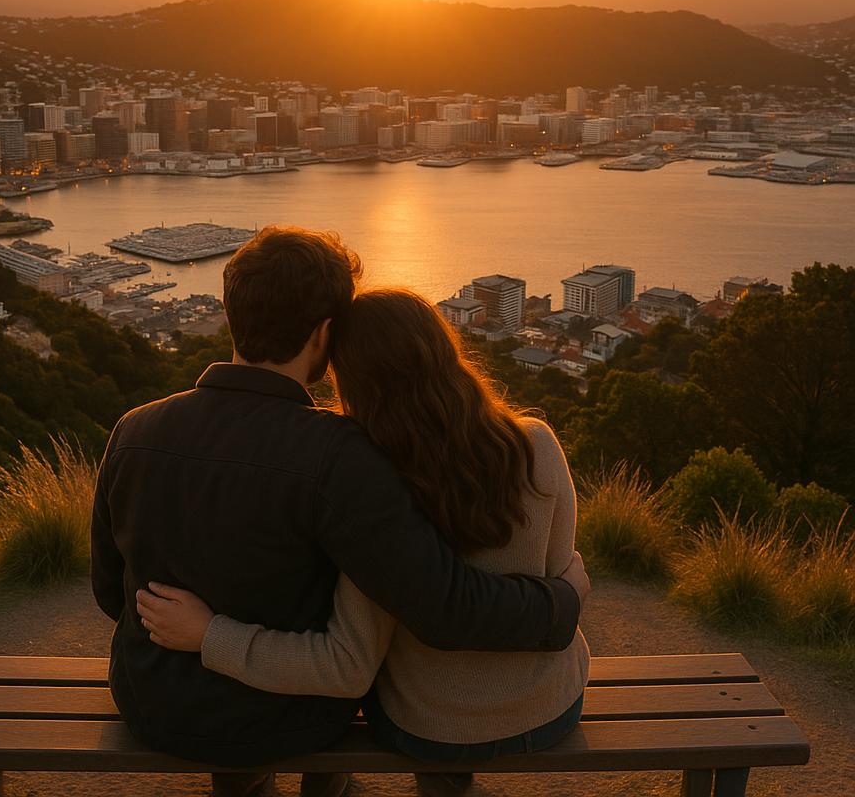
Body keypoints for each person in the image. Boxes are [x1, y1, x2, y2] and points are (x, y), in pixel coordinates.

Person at [92, 227, 589, 797]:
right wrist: (563, 602)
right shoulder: (339, 456)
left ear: (231, 311)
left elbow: (110, 592)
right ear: (325, 335)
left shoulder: (132, 430)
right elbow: (440, 602)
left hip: (150, 701)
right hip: (289, 715)